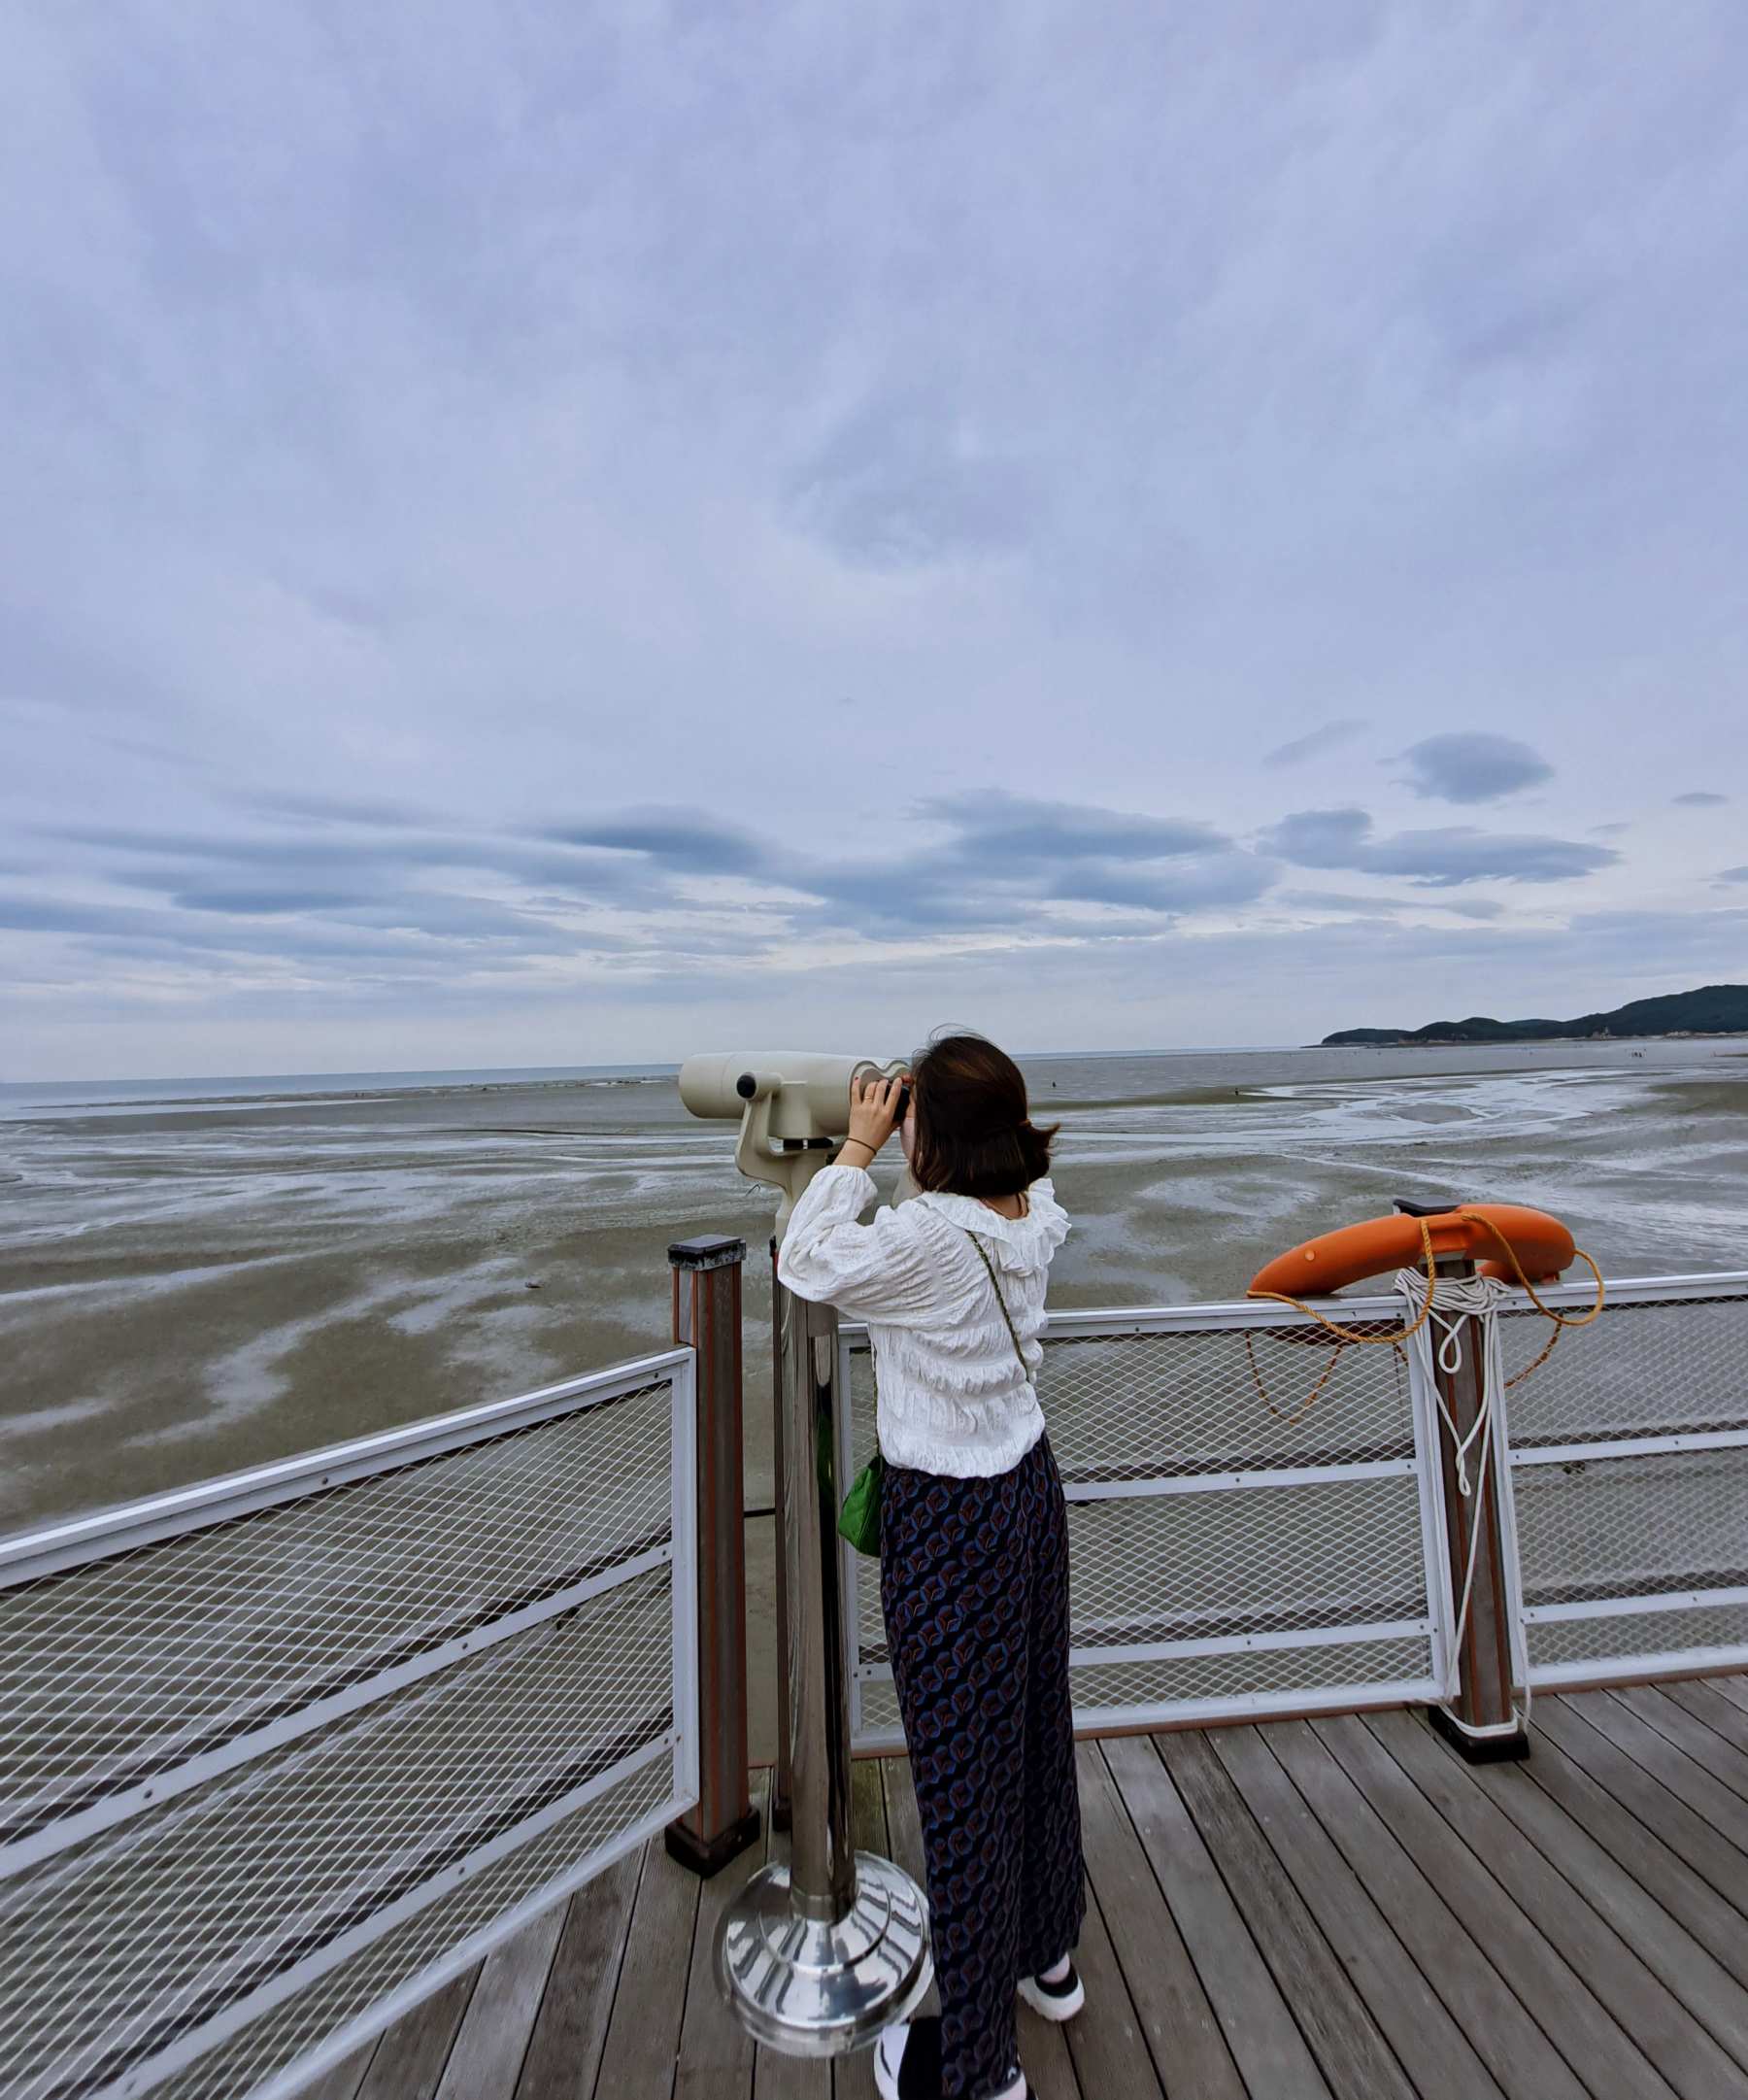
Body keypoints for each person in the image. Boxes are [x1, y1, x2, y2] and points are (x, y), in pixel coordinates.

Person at [777, 1029, 1087, 2100]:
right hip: (1029, 1495)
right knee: (1038, 1737)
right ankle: (1049, 1957)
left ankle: (977, 2067)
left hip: (951, 1520)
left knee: (961, 1787)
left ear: (929, 1136)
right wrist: (917, 1130)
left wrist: (852, 1152)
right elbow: (1003, 1184)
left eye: (909, 1111)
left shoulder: (926, 1240)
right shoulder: (1028, 1212)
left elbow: (805, 1260)